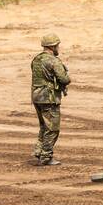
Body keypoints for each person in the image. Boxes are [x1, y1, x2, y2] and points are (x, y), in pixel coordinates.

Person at [31, 33, 70, 166]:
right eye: (57, 45)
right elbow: (64, 79)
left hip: (36, 96)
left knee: (43, 126)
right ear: (53, 46)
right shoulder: (53, 60)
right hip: (49, 98)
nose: (58, 48)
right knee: (52, 128)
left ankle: (39, 151)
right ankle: (46, 156)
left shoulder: (36, 60)